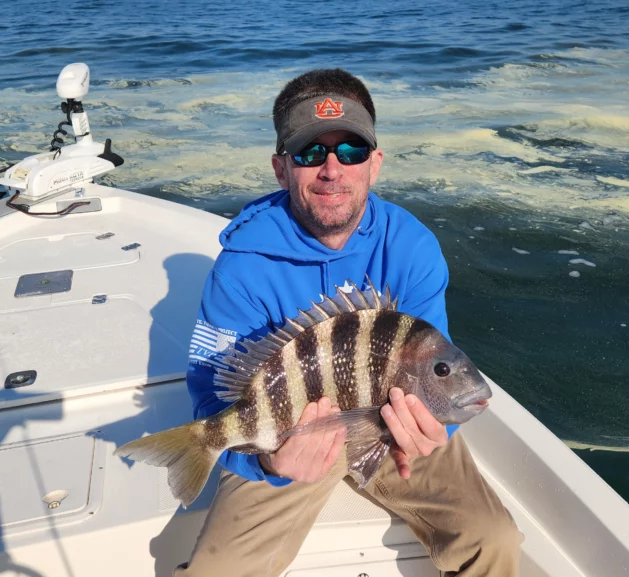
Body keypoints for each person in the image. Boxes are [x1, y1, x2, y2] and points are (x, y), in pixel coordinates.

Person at [176, 68, 522, 576]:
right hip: (288, 436)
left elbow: (432, 366)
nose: (332, 169)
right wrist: (269, 462)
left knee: (494, 540)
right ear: (280, 168)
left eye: (351, 151)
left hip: (389, 427)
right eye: (310, 153)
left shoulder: (413, 248)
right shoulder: (241, 267)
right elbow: (214, 396)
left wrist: (430, 431)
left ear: (375, 163)